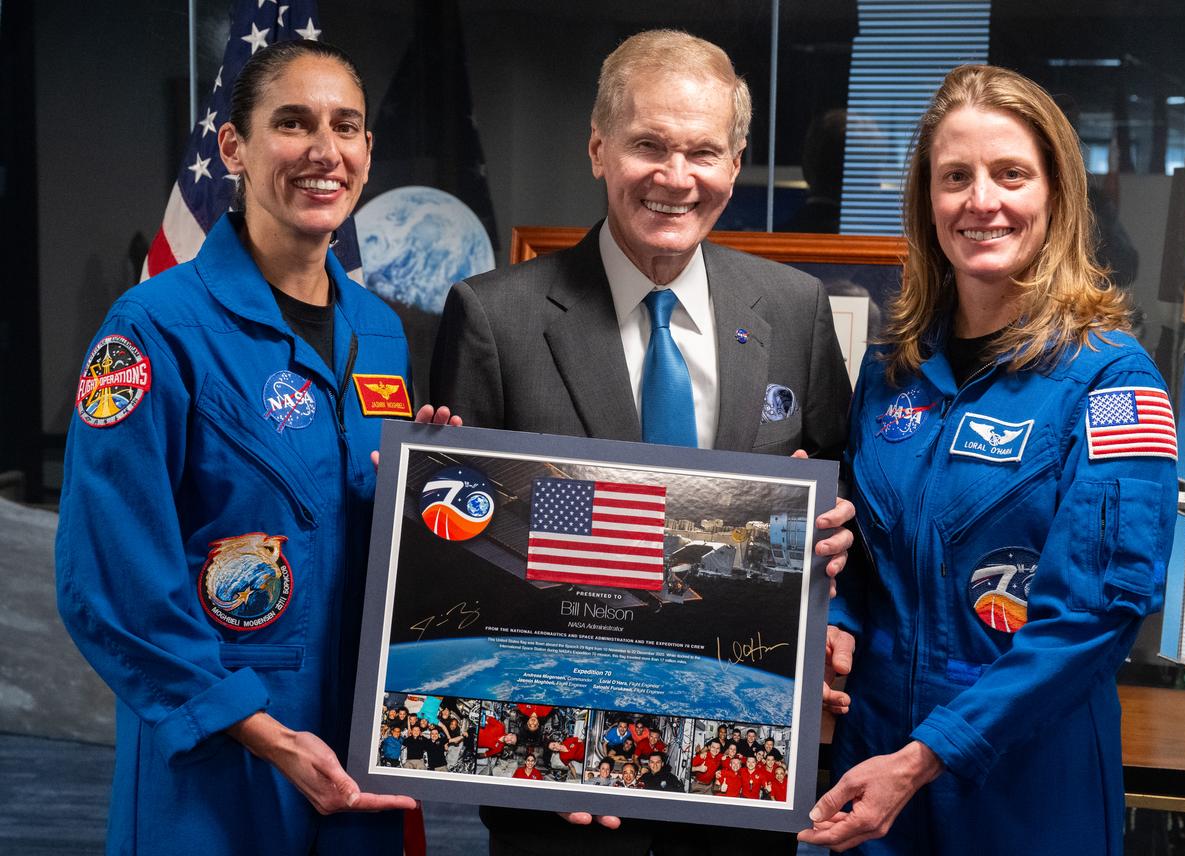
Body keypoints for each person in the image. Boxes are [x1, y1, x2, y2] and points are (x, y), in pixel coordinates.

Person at [428, 28, 854, 856]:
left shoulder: (795, 309)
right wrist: (536, 755)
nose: (675, 177)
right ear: (598, 149)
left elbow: (850, 503)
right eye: (648, 145)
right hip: (556, 789)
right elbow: (462, 560)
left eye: (703, 151)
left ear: (735, 164)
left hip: (741, 772)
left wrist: (837, 555)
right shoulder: (494, 317)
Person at [53, 39, 439, 854]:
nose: (324, 152)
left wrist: (440, 490)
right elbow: (111, 577)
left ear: (369, 149)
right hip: (220, 753)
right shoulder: (153, 329)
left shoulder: (381, 333)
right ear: (234, 145)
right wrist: (262, 733)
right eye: (293, 124)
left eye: (346, 127)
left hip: (359, 747)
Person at [802, 64, 1178, 855]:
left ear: (1057, 195)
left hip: (1021, 789)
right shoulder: (890, 372)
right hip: (873, 780)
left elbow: (1096, 615)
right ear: (927, 203)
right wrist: (833, 625)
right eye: (955, 177)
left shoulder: (1111, 380)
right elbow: (868, 565)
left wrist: (931, 754)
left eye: (1011, 173)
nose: (982, 201)